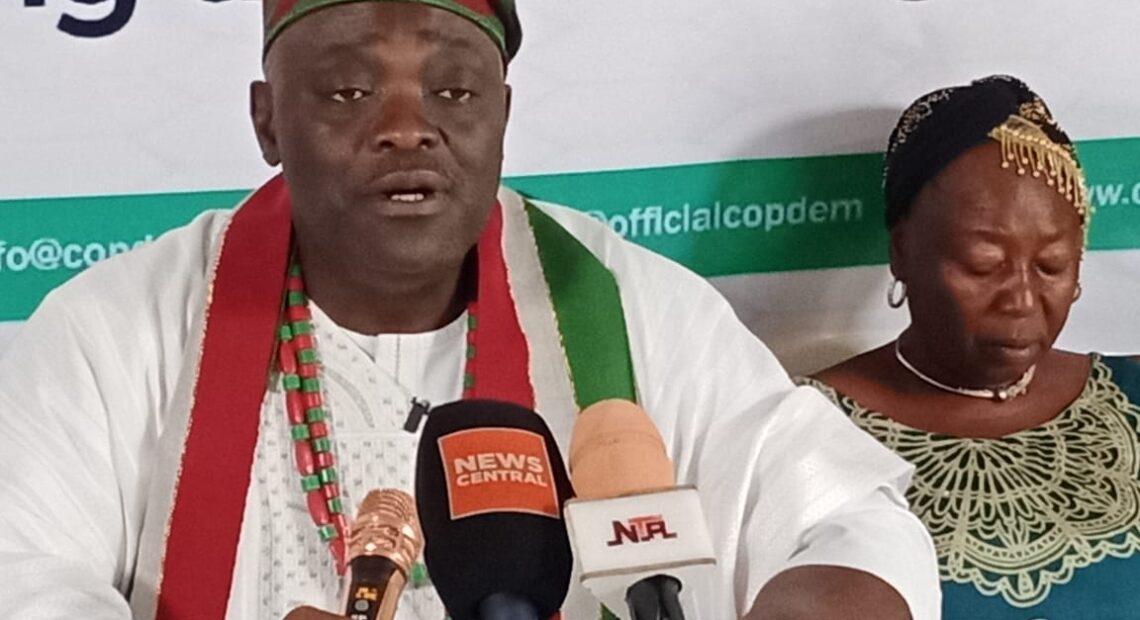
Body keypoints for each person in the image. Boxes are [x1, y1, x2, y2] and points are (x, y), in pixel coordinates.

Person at [0, 2, 939, 618]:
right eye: (348, 91)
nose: (408, 127)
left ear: (503, 111)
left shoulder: (627, 307)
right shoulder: (114, 331)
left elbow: (846, 517)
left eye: (453, 90)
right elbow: (21, 570)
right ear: (266, 120)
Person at [800, 74, 1140, 619]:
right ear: (902, 251)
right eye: (984, 265)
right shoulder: (801, 431)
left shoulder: (1133, 399)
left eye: (1051, 266)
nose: (1021, 299)